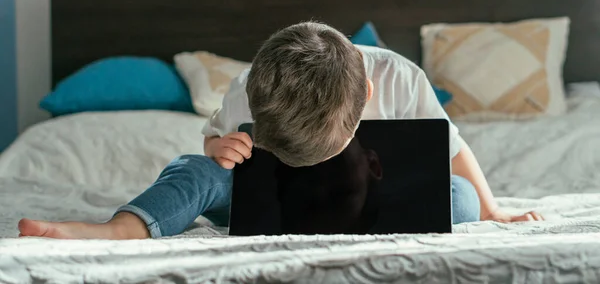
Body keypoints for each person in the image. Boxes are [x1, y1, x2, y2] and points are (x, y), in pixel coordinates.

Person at [18, 22, 543, 240]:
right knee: (195, 171)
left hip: (371, 196)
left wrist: (495, 209)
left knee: (461, 197)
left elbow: (453, 147)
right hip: (268, 194)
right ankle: (120, 230)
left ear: (364, 95)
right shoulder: (252, 84)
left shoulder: (401, 79)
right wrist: (216, 148)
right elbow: (215, 141)